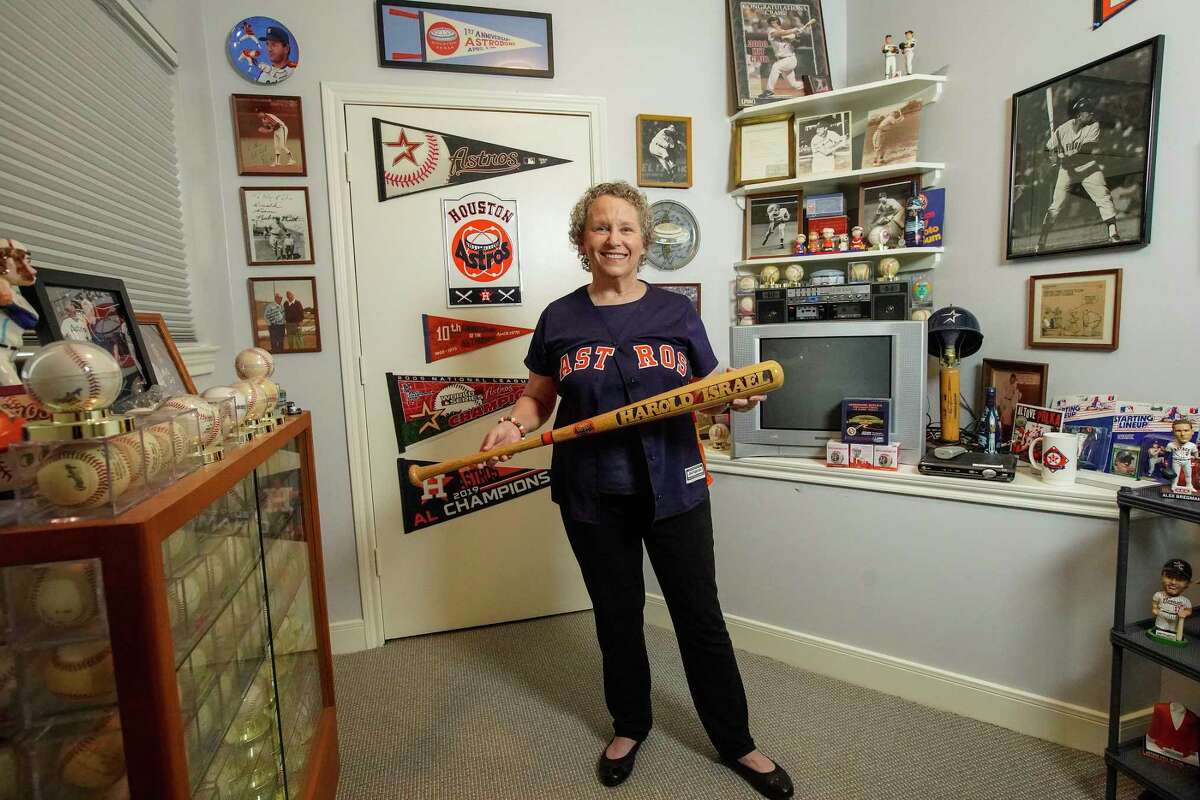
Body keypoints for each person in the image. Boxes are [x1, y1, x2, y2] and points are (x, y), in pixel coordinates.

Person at [477, 181, 793, 799]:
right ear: (582, 240)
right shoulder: (560, 317)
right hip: (593, 492)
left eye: (625, 228)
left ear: (644, 240)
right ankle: (631, 725)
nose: (613, 239)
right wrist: (514, 421)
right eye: (600, 228)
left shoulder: (676, 312)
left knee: (699, 617)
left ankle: (737, 742)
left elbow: (712, 389)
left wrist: (736, 395)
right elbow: (540, 395)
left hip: (675, 485)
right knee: (616, 616)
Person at [1036, 96, 1119, 253]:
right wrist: (1051, 156)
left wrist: (1061, 160)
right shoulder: (1062, 130)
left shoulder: (1094, 126)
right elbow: (1046, 147)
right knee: (1056, 205)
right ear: (1079, 115)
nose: (1092, 114)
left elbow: (1085, 152)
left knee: (1104, 197)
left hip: (1087, 168)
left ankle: (1113, 233)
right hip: (1066, 172)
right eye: (1089, 112)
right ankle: (1041, 241)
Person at [757, 15, 816, 100]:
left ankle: (769, 90)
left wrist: (797, 35)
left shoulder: (787, 32)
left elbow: (796, 40)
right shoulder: (771, 31)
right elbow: (780, 34)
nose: (773, 23)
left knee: (775, 67)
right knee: (794, 84)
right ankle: (811, 85)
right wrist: (793, 30)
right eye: (771, 22)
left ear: (779, 22)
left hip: (790, 59)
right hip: (783, 61)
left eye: (775, 21)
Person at [1151, 559, 1193, 642]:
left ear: (1187, 584)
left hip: (1175, 619)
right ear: (1162, 577)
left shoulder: (1184, 601)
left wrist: (1184, 613)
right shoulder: (1159, 595)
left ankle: (1172, 635)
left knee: (1174, 630)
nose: (1173, 582)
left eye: (1179, 579)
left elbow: (1189, 610)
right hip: (1162, 616)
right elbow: (1154, 604)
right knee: (1160, 627)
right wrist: (1154, 609)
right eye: (1169, 577)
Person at [1167, 419, 1199, 493]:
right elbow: (1166, 454)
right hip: (1176, 461)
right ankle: (1174, 485)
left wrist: (1197, 458)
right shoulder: (1170, 445)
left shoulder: (1192, 445)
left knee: (1188, 475)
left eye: (1186, 430)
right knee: (1175, 475)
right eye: (1178, 431)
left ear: (1192, 432)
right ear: (1173, 432)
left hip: (1187, 461)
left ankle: (1189, 486)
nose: (1182, 434)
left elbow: (1196, 454)